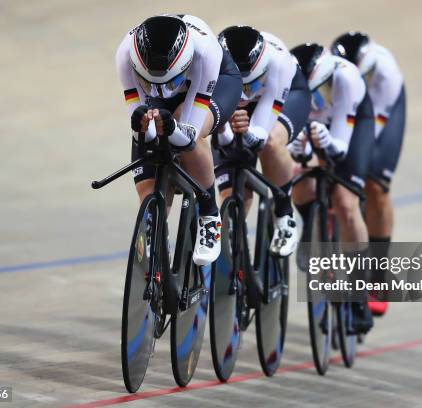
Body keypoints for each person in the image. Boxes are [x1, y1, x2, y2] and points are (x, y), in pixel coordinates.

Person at [115, 14, 242, 265]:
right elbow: (140, 128)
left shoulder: (206, 54)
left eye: (167, 83)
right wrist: (146, 131)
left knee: (186, 132)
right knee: (150, 146)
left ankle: (209, 214)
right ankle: (155, 224)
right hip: (164, 89)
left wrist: (171, 129)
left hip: (215, 85)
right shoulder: (124, 55)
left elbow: (189, 134)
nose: (160, 91)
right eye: (149, 83)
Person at [289, 43, 374, 334]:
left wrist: (324, 144)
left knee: (346, 204)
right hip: (318, 128)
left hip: (351, 126)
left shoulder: (346, 80)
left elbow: (340, 148)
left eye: (320, 92)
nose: (316, 101)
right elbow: (291, 148)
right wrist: (299, 150)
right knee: (299, 178)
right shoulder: (291, 85)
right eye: (309, 95)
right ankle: (308, 225)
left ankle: (360, 295)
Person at [214, 26, 311, 257]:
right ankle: (235, 255)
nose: (244, 95)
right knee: (232, 195)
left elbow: (261, 133)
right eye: (240, 87)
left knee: (270, 143)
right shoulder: (213, 66)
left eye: (249, 86)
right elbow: (220, 135)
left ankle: (284, 215)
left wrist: (247, 132)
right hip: (233, 101)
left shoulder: (279, 63)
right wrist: (227, 135)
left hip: (283, 97)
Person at [331, 32, 406, 316]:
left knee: (375, 185)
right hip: (348, 103)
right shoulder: (334, 69)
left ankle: (377, 276)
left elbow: (370, 132)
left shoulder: (386, 74)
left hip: (381, 110)